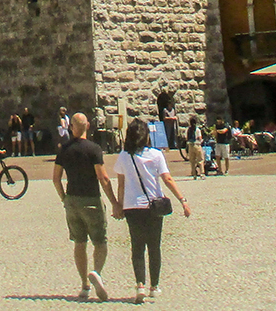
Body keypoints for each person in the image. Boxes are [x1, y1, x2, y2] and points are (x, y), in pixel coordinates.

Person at [113, 118, 190, 303]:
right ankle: (154, 286)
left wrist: (119, 205)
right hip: (153, 206)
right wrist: (182, 200)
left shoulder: (124, 156)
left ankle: (140, 284)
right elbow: (167, 179)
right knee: (154, 246)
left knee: (137, 247)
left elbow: (121, 185)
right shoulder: (156, 155)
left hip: (132, 206)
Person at [53, 112, 119, 302]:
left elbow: (56, 178)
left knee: (79, 243)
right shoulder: (94, 149)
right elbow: (103, 177)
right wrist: (114, 202)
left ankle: (84, 285)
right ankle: (96, 272)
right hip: (91, 199)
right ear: (87, 126)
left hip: (72, 200)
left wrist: (64, 198)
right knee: (100, 241)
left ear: (71, 127)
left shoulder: (64, 150)